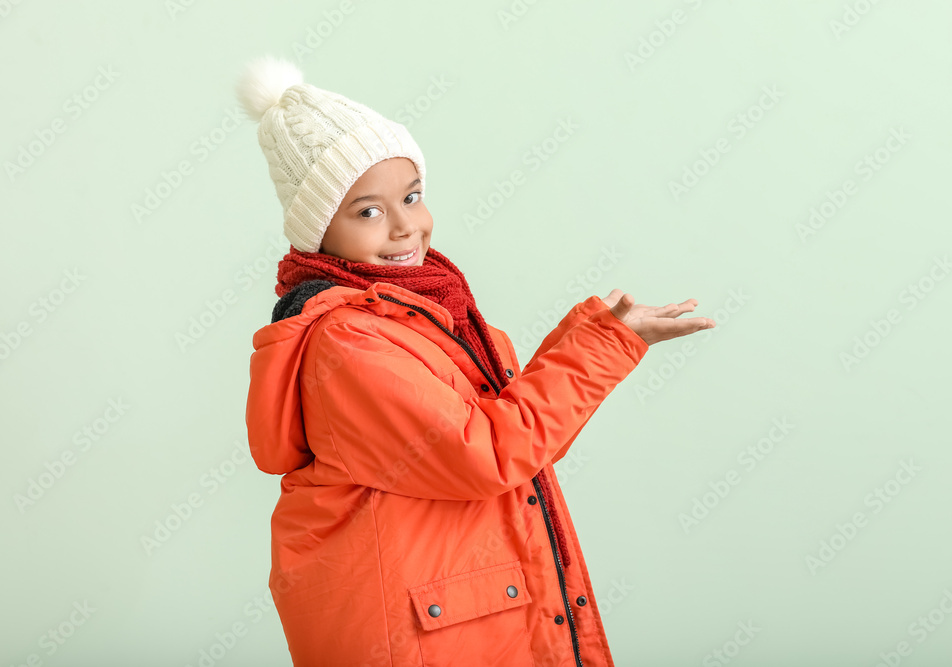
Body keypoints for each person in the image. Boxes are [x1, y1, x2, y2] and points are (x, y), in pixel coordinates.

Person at [237, 55, 715, 667]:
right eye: (368, 211)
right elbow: (487, 451)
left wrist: (603, 334)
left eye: (411, 196)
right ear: (318, 232)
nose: (406, 227)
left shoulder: (427, 316)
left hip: (467, 626)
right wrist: (602, 348)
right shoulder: (348, 344)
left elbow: (513, 435)